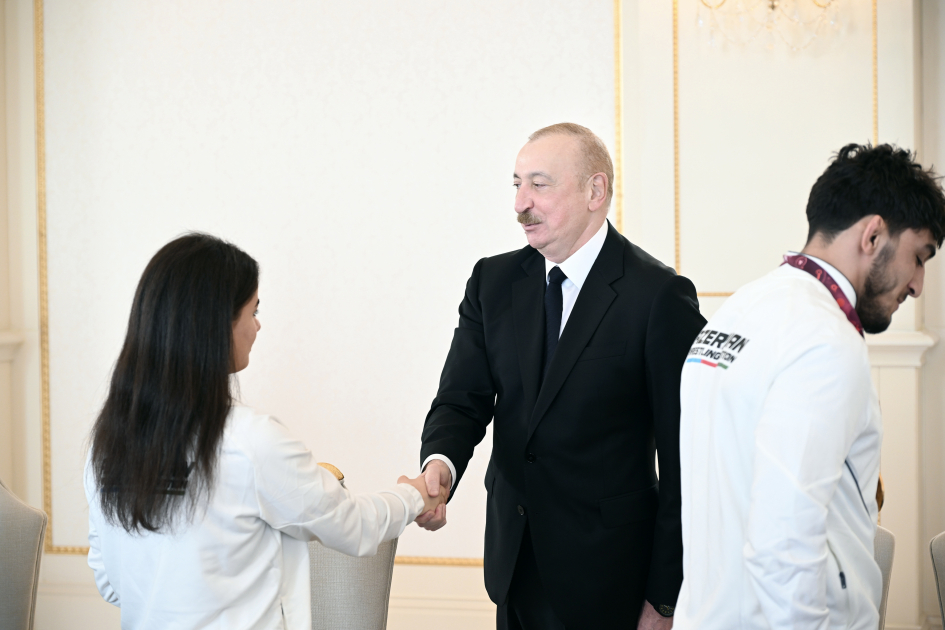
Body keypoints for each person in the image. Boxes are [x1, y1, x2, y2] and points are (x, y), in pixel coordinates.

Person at [416, 123, 706, 629]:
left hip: (612, 580)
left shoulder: (659, 296)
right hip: (513, 564)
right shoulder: (491, 282)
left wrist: (665, 597)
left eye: (539, 184)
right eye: (517, 184)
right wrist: (440, 463)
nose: (520, 203)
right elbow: (461, 399)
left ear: (596, 191)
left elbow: (688, 461)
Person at [85, 233, 446, 630]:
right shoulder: (251, 441)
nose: (257, 326)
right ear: (216, 324)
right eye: (252, 310)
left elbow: (110, 584)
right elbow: (353, 525)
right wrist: (416, 494)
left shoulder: (106, 447)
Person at [674, 143, 945, 629]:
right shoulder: (825, 341)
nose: (918, 284)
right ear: (873, 234)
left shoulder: (738, 309)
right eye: (919, 256)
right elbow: (783, 543)